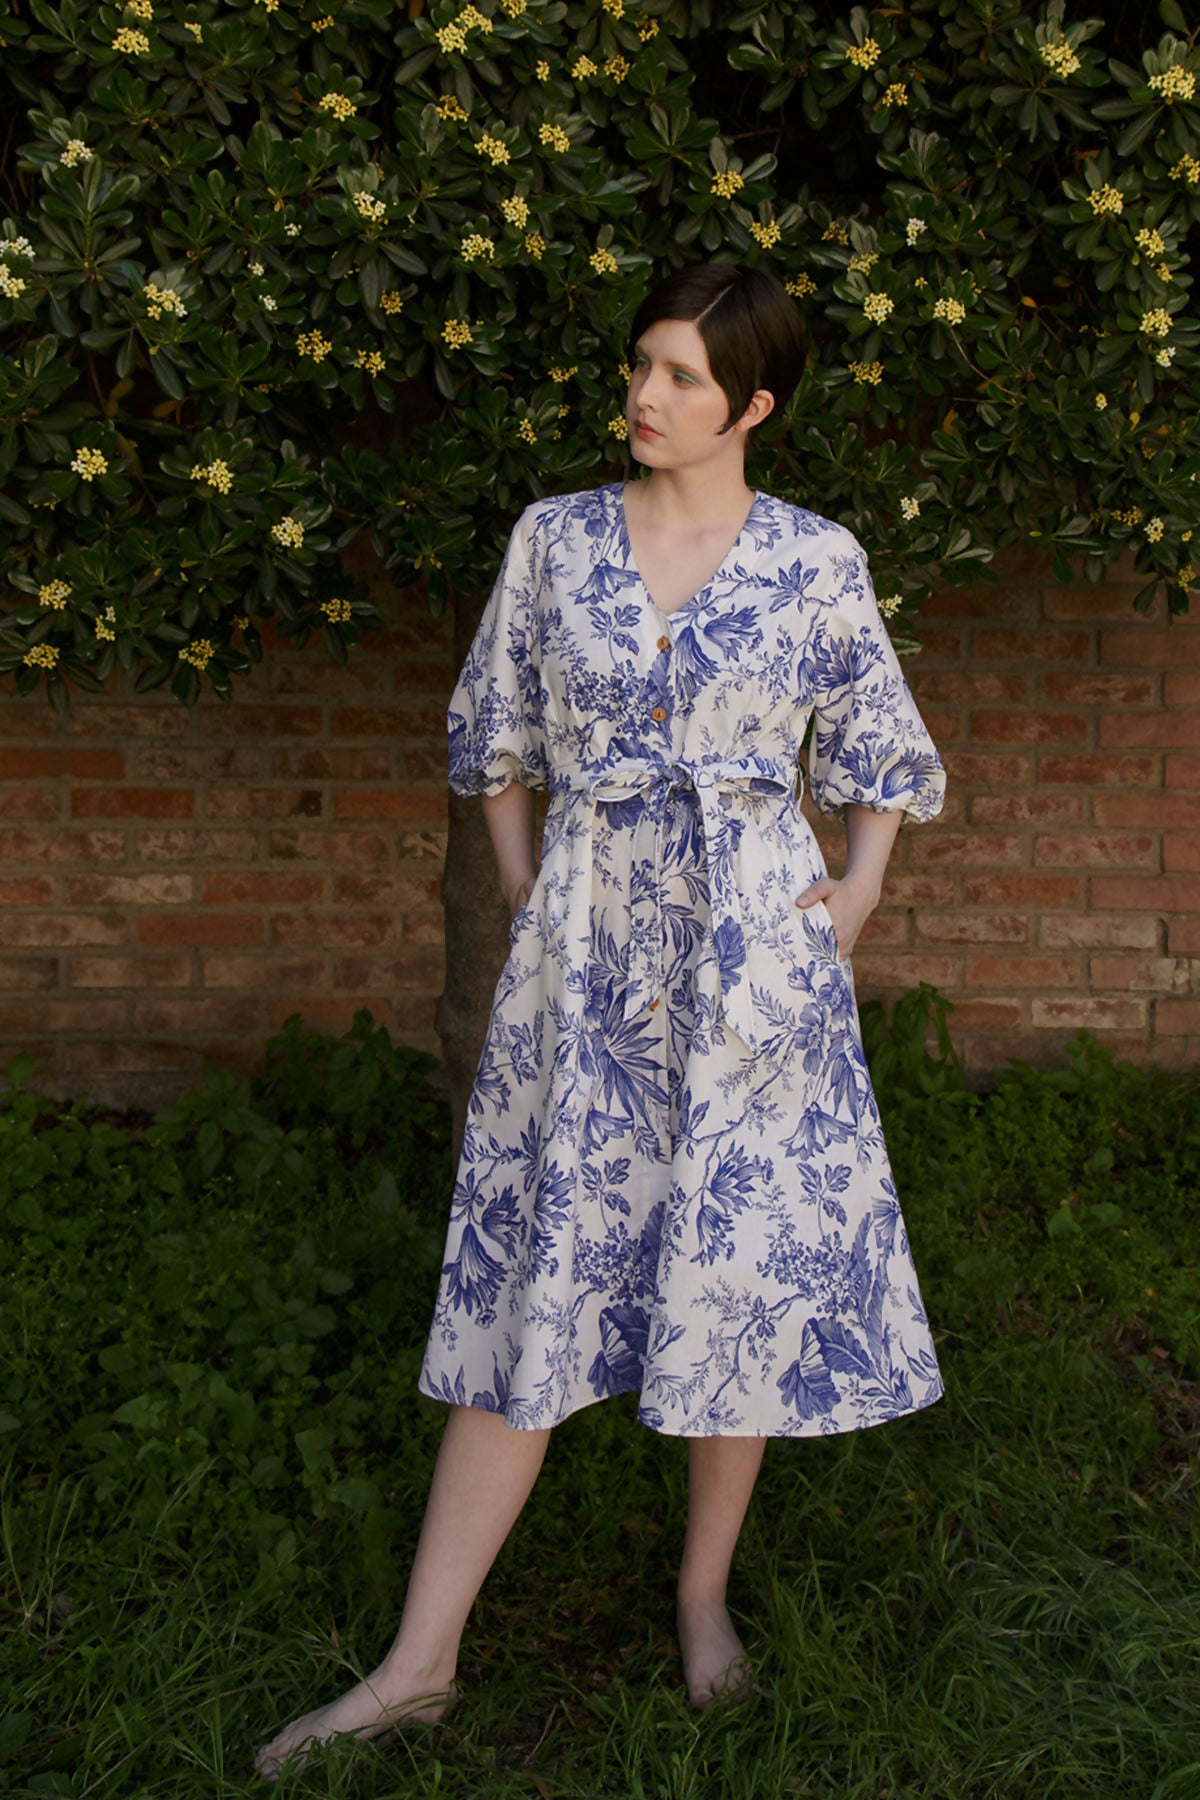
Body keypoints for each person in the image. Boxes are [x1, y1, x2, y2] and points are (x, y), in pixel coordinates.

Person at [255, 261, 947, 1781]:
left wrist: (853, 898)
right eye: (643, 363)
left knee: (731, 1275)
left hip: (752, 968)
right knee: (536, 1276)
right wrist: (527, 893)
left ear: (754, 405)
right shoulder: (555, 541)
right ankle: (420, 1666)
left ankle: (701, 1598)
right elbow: (493, 732)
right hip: (584, 962)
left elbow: (882, 749)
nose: (646, 395)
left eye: (684, 376)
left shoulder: (815, 561)